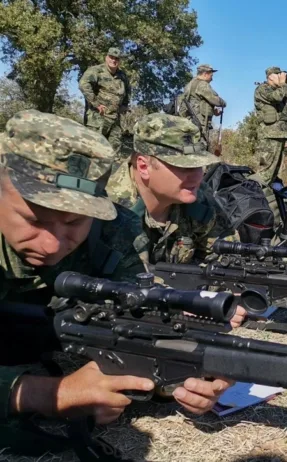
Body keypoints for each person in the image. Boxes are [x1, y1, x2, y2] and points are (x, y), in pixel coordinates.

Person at [0, 110, 234, 455]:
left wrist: (203, 364)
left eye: (73, 223)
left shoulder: (113, 230)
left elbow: (146, 316)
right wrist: (50, 394)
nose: (51, 243)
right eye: (33, 219)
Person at [107, 113, 238, 264]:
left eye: (199, 166)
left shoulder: (199, 198)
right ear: (143, 166)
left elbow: (226, 257)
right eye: (184, 167)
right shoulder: (106, 209)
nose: (198, 176)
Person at [78, 47, 131, 153]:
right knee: (92, 151)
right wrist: (96, 103)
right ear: (106, 57)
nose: (114, 60)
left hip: (115, 120)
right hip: (97, 119)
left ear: (119, 61)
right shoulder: (96, 70)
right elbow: (83, 84)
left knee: (113, 152)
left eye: (116, 58)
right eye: (111, 57)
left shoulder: (122, 75)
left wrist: (124, 105)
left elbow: (128, 90)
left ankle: (108, 170)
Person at [253, 66, 287, 182]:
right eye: (279, 75)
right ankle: (255, 194)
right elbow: (276, 97)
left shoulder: (282, 90)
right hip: (269, 135)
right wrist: (283, 85)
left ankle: (267, 197)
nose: (281, 78)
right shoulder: (263, 89)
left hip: (281, 135)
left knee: (275, 172)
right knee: (265, 171)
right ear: (271, 77)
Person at [177, 64, 227, 152]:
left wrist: (213, 110)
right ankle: (199, 164)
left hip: (190, 120)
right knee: (201, 146)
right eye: (211, 75)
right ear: (205, 74)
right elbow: (213, 99)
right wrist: (223, 103)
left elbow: (198, 101)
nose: (212, 78)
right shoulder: (202, 84)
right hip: (200, 121)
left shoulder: (190, 84)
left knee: (190, 145)